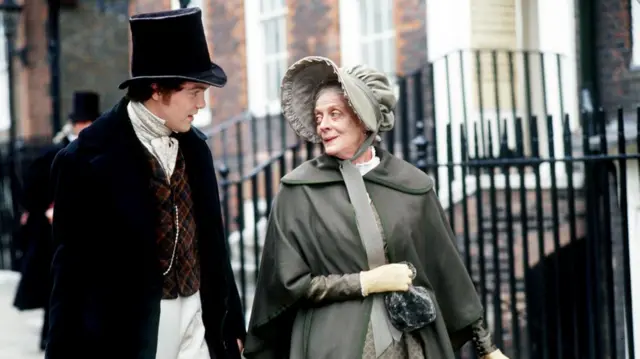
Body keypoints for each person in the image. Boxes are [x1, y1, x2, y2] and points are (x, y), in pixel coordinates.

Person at [243, 56, 510, 359]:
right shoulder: (297, 192)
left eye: (335, 114)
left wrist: (487, 348)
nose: (324, 126)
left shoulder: (411, 184)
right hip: (332, 345)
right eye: (319, 117)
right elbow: (285, 287)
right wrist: (365, 282)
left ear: (363, 118)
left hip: (409, 345)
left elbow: (448, 272)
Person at [46, 8, 245, 359]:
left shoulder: (196, 149)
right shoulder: (83, 160)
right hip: (130, 328)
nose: (201, 104)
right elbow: (70, 272)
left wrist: (232, 321)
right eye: (194, 91)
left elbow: (214, 244)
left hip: (198, 315)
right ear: (156, 88)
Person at [13, 90, 100, 351]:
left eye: (90, 123)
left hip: (91, 231)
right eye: (82, 123)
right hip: (57, 234)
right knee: (59, 286)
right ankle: (54, 337)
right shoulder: (56, 153)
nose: (85, 128)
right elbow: (31, 189)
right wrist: (44, 209)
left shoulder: (103, 152)